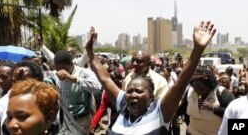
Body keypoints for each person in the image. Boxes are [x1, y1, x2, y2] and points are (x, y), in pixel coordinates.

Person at [86, 21, 216, 134]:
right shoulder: (124, 104)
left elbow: (179, 86)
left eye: (139, 91)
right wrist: (89, 51)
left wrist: (198, 49)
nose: (133, 94)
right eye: (130, 91)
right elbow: (105, 79)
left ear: (151, 97)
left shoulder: (159, 112)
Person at [53, 50, 101, 134]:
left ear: (71, 64)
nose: (61, 73)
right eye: (58, 70)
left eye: (63, 69)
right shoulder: (55, 75)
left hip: (81, 120)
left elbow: (97, 88)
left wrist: (73, 79)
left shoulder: (84, 73)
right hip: (64, 120)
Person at [179, 68, 234, 135]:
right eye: (196, 90)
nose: (198, 93)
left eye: (201, 90)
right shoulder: (190, 92)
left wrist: (215, 108)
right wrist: (174, 116)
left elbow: (233, 115)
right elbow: (183, 108)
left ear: (209, 85)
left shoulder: (221, 93)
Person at [0, 60, 44, 135]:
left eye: (23, 80)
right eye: (14, 80)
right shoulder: (4, 101)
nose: (18, 85)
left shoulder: (47, 102)